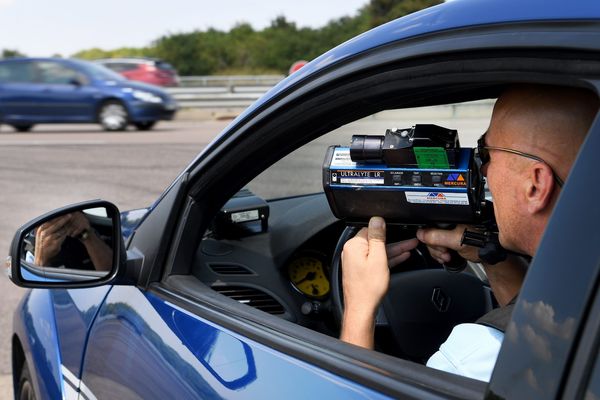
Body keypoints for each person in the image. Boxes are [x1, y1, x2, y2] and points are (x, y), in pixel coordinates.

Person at [339, 84, 599, 381]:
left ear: (536, 184)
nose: (482, 170)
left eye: (485, 153)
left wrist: (359, 307)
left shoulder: (481, 356)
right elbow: (542, 315)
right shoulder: (583, 283)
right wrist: (490, 253)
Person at [32, 211, 113, 271]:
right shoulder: (31, 248)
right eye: (49, 221)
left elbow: (110, 272)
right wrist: (42, 260)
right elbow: (37, 286)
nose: (58, 223)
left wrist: (86, 234)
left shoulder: (94, 231)